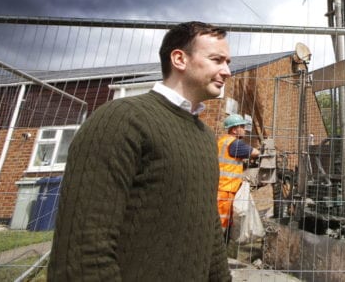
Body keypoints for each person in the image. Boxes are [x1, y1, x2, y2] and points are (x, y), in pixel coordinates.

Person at [48, 21, 233, 281]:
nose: (227, 71)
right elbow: (83, 248)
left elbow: (208, 224)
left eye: (228, 62)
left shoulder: (203, 137)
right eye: (217, 60)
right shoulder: (122, 119)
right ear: (179, 59)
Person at [217, 112, 260, 242]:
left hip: (220, 188)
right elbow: (255, 152)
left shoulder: (222, 141)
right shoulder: (235, 144)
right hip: (227, 191)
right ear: (235, 129)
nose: (244, 129)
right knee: (221, 228)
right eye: (242, 126)